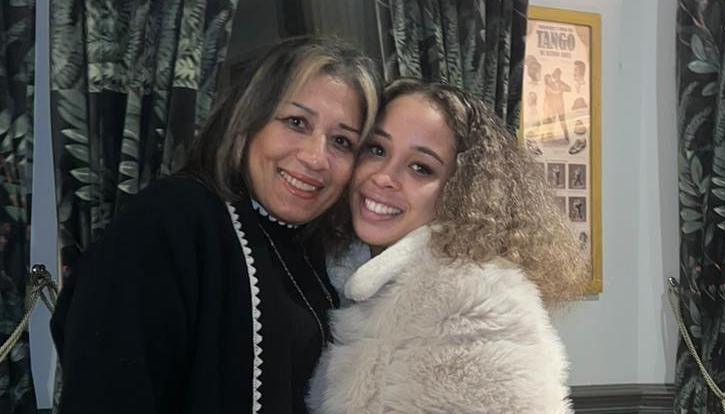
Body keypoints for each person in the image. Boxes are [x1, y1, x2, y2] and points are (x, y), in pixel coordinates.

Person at [50, 37, 381, 414]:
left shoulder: (306, 250)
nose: (316, 158)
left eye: (341, 141)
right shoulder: (169, 221)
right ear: (247, 122)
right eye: (296, 122)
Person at [307, 79, 587, 413]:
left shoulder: (472, 302)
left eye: (420, 168)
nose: (384, 176)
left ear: (457, 193)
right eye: (377, 150)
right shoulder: (347, 276)